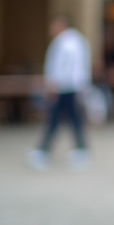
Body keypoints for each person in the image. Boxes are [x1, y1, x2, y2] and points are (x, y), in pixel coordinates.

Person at [29, 15, 91, 170]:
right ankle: (79, 150)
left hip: (64, 87)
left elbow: (64, 66)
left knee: (56, 118)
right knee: (70, 119)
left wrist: (53, 85)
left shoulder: (64, 42)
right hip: (72, 86)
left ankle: (44, 151)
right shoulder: (78, 40)